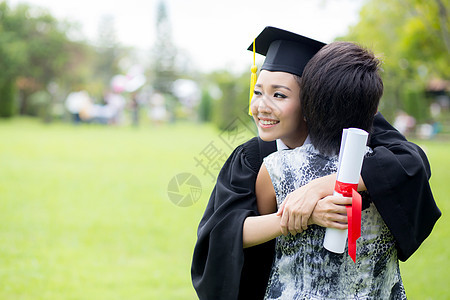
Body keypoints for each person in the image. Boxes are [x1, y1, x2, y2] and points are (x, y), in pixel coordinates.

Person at [191, 27, 440, 300]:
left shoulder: (358, 132)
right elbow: (222, 231)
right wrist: (302, 214)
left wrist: (319, 187)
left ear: (312, 101)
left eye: (279, 95)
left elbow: (411, 160)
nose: (261, 106)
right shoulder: (253, 156)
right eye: (258, 92)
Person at [244, 41, 405, 299]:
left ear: (307, 103)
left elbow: (265, 248)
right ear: (374, 110)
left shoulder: (275, 169)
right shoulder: (392, 173)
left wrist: (299, 215)